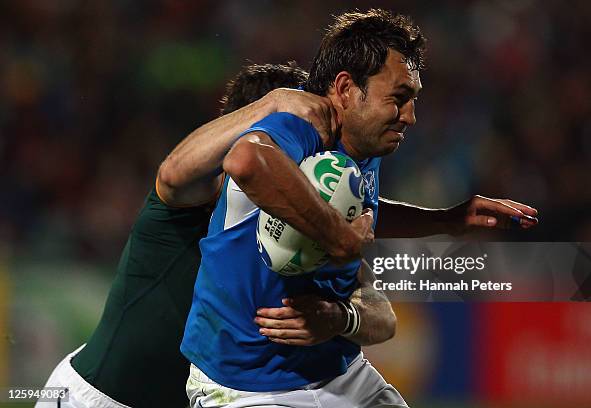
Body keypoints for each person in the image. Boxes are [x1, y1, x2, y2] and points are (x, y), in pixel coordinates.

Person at [180, 9, 537, 408]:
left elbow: (359, 210)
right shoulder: (300, 124)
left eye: (413, 100)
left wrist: (447, 220)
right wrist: (338, 239)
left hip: (344, 375)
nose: (411, 117)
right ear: (346, 88)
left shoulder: (365, 142)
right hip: (246, 386)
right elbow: (246, 160)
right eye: (399, 99)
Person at [37, 63, 397, 408]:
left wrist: (342, 316)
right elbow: (174, 174)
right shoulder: (193, 198)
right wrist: (273, 104)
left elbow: (381, 309)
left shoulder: (294, 233)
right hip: (95, 399)